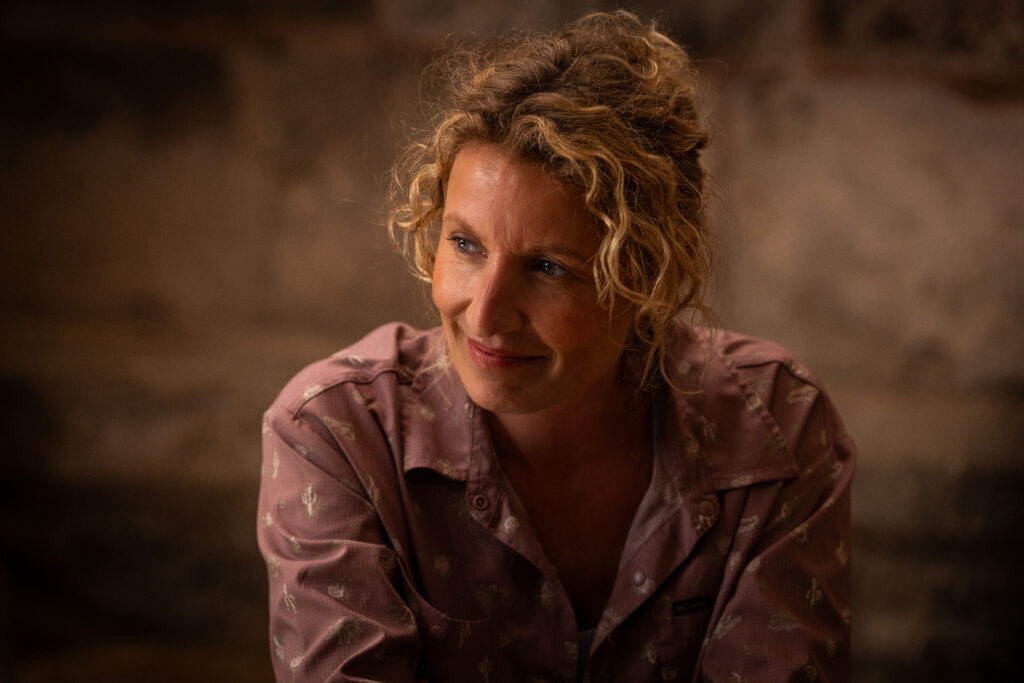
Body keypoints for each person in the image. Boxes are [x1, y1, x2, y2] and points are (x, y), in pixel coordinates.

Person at [257, 10, 854, 683]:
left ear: (650, 275)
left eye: (549, 268)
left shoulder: (774, 425)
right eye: (465, 244)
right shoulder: (339, 432)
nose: (485, 313)